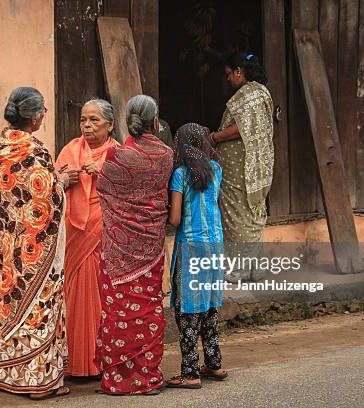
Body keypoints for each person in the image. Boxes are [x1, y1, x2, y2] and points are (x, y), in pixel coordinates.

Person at [0, 87, 74, 400]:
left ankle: (11, 373)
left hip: (10, 245)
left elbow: (5, 198)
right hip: (36, 249)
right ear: (35, 115)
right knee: (41, 308)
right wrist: (63, 182)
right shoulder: (34, 151)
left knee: (13, 306)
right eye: (43, 111)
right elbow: (47, 199)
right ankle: (39, 381)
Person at [95, 95, 173, 395]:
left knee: (117, 312)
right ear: (155, 121)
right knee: (149, 308)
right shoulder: (167, 155)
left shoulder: (117, 157)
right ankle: (147, 377)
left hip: (117, 251)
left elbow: (104, 192)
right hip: (151, 248)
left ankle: (116, 379)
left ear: (128, 121)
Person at [54, 99, 120, 378]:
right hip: (75, 233)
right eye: (83, 120)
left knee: (102, 296)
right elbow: (51, 181)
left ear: (110, 125)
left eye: (94, 120)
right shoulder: (71, 149)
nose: (87, 126)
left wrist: (103, 173)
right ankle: (77, 361)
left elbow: (129, 191)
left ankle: (100, 361)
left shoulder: (118, 153)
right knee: (75, 295)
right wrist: (62, 180)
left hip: (104, 235)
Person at [166, 123, 228, 389]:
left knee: (188, 311)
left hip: (191, 246)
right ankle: (214, 364)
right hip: (215, 245)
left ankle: (190, 373)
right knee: (209, 307)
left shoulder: (180, 174)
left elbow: (176, 218)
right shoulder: (216, 170)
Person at [209, 51, 274, 282]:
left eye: (229, 74)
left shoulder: (249, 94)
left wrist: (216, 137)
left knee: (236, 217)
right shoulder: (261, 93)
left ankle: (238, 270)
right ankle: (255, 270)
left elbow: (241, 128)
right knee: (252, 215)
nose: (228, 79)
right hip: (254, 167)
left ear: (239, 71)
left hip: (240, 168)